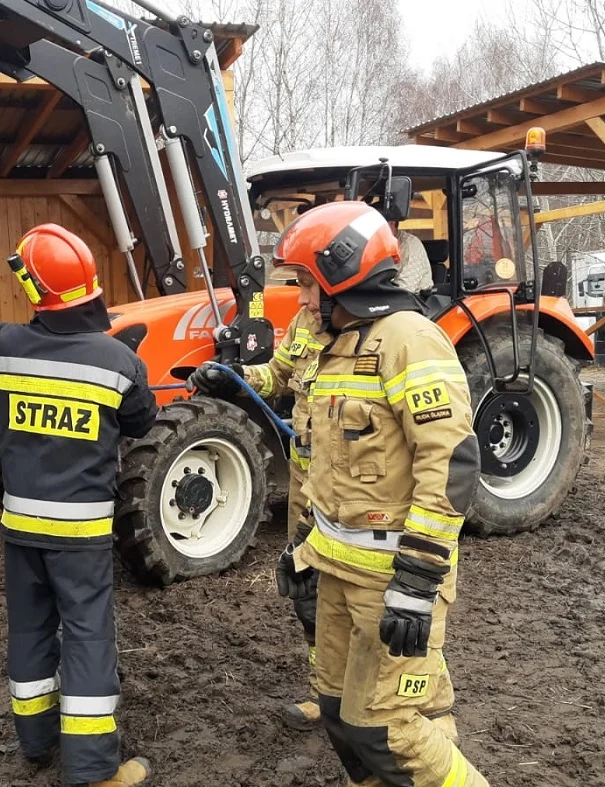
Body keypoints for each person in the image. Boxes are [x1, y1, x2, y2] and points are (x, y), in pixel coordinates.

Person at [0, 224, 158, 787]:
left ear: (34, 288)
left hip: (20, 530)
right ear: (90, 285)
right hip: (82, 537)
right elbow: (143, 422)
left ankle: (36, 742)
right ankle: (95, 770)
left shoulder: (4, 347)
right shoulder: (117, 364)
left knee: (29, 633)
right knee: (88, 637)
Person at [269, 202, 488, 786]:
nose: (303, 300)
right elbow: (327, 464)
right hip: (338, 570)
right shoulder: (336, 346)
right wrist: (304, 549)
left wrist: (418, 581)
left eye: (307, 285)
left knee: (385, 729)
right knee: (341, 719)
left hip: (394, 578)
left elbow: (451, 462)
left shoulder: (410, 341)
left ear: (345, 276)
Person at [186, 302, 329, 731]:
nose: (302, 297)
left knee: (362, 598)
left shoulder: (389, 333)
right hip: (306, 477)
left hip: (353, 486)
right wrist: (234, 377)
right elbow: (279, 374)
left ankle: (396, 706)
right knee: (309, 591)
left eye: (308, 284)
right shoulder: (307, 320)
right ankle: (325, 693)